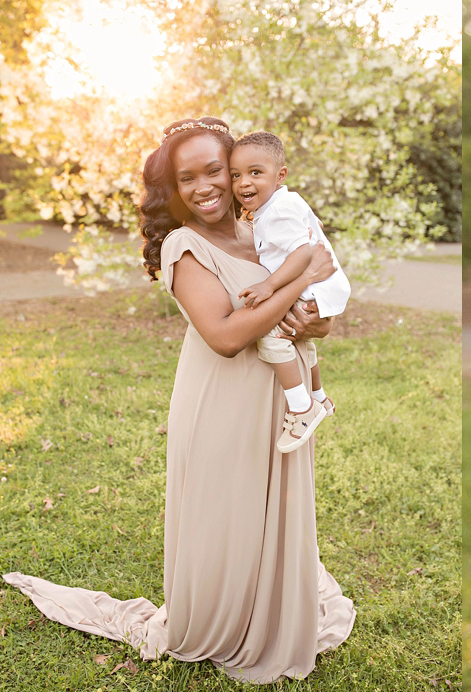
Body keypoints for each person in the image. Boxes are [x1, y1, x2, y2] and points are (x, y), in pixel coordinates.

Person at [3, 116, 355, 684]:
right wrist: (302, 273)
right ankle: (226, 622)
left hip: (277, 398)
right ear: (173, 190)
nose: (205, 186)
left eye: (215, 169)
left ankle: (269, 612)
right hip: (222, 400)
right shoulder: (182, 244)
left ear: (238, 167)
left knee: (270, 511)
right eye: (186, 178)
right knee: (228, 514)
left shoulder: (260, 230)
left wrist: (315, 318)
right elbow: (226, 335)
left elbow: (312, 314)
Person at [230, 130, 352, 453]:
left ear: (280, 175)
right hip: (326, 286)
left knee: (271, 337)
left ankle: (301, 408)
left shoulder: (278, 213)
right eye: (236, 175)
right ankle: (319, 396)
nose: (244, 183)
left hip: (313, 283)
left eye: (255, 173)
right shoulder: (285, 202)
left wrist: (269, 286)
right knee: (303, 343)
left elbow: (302, 254)